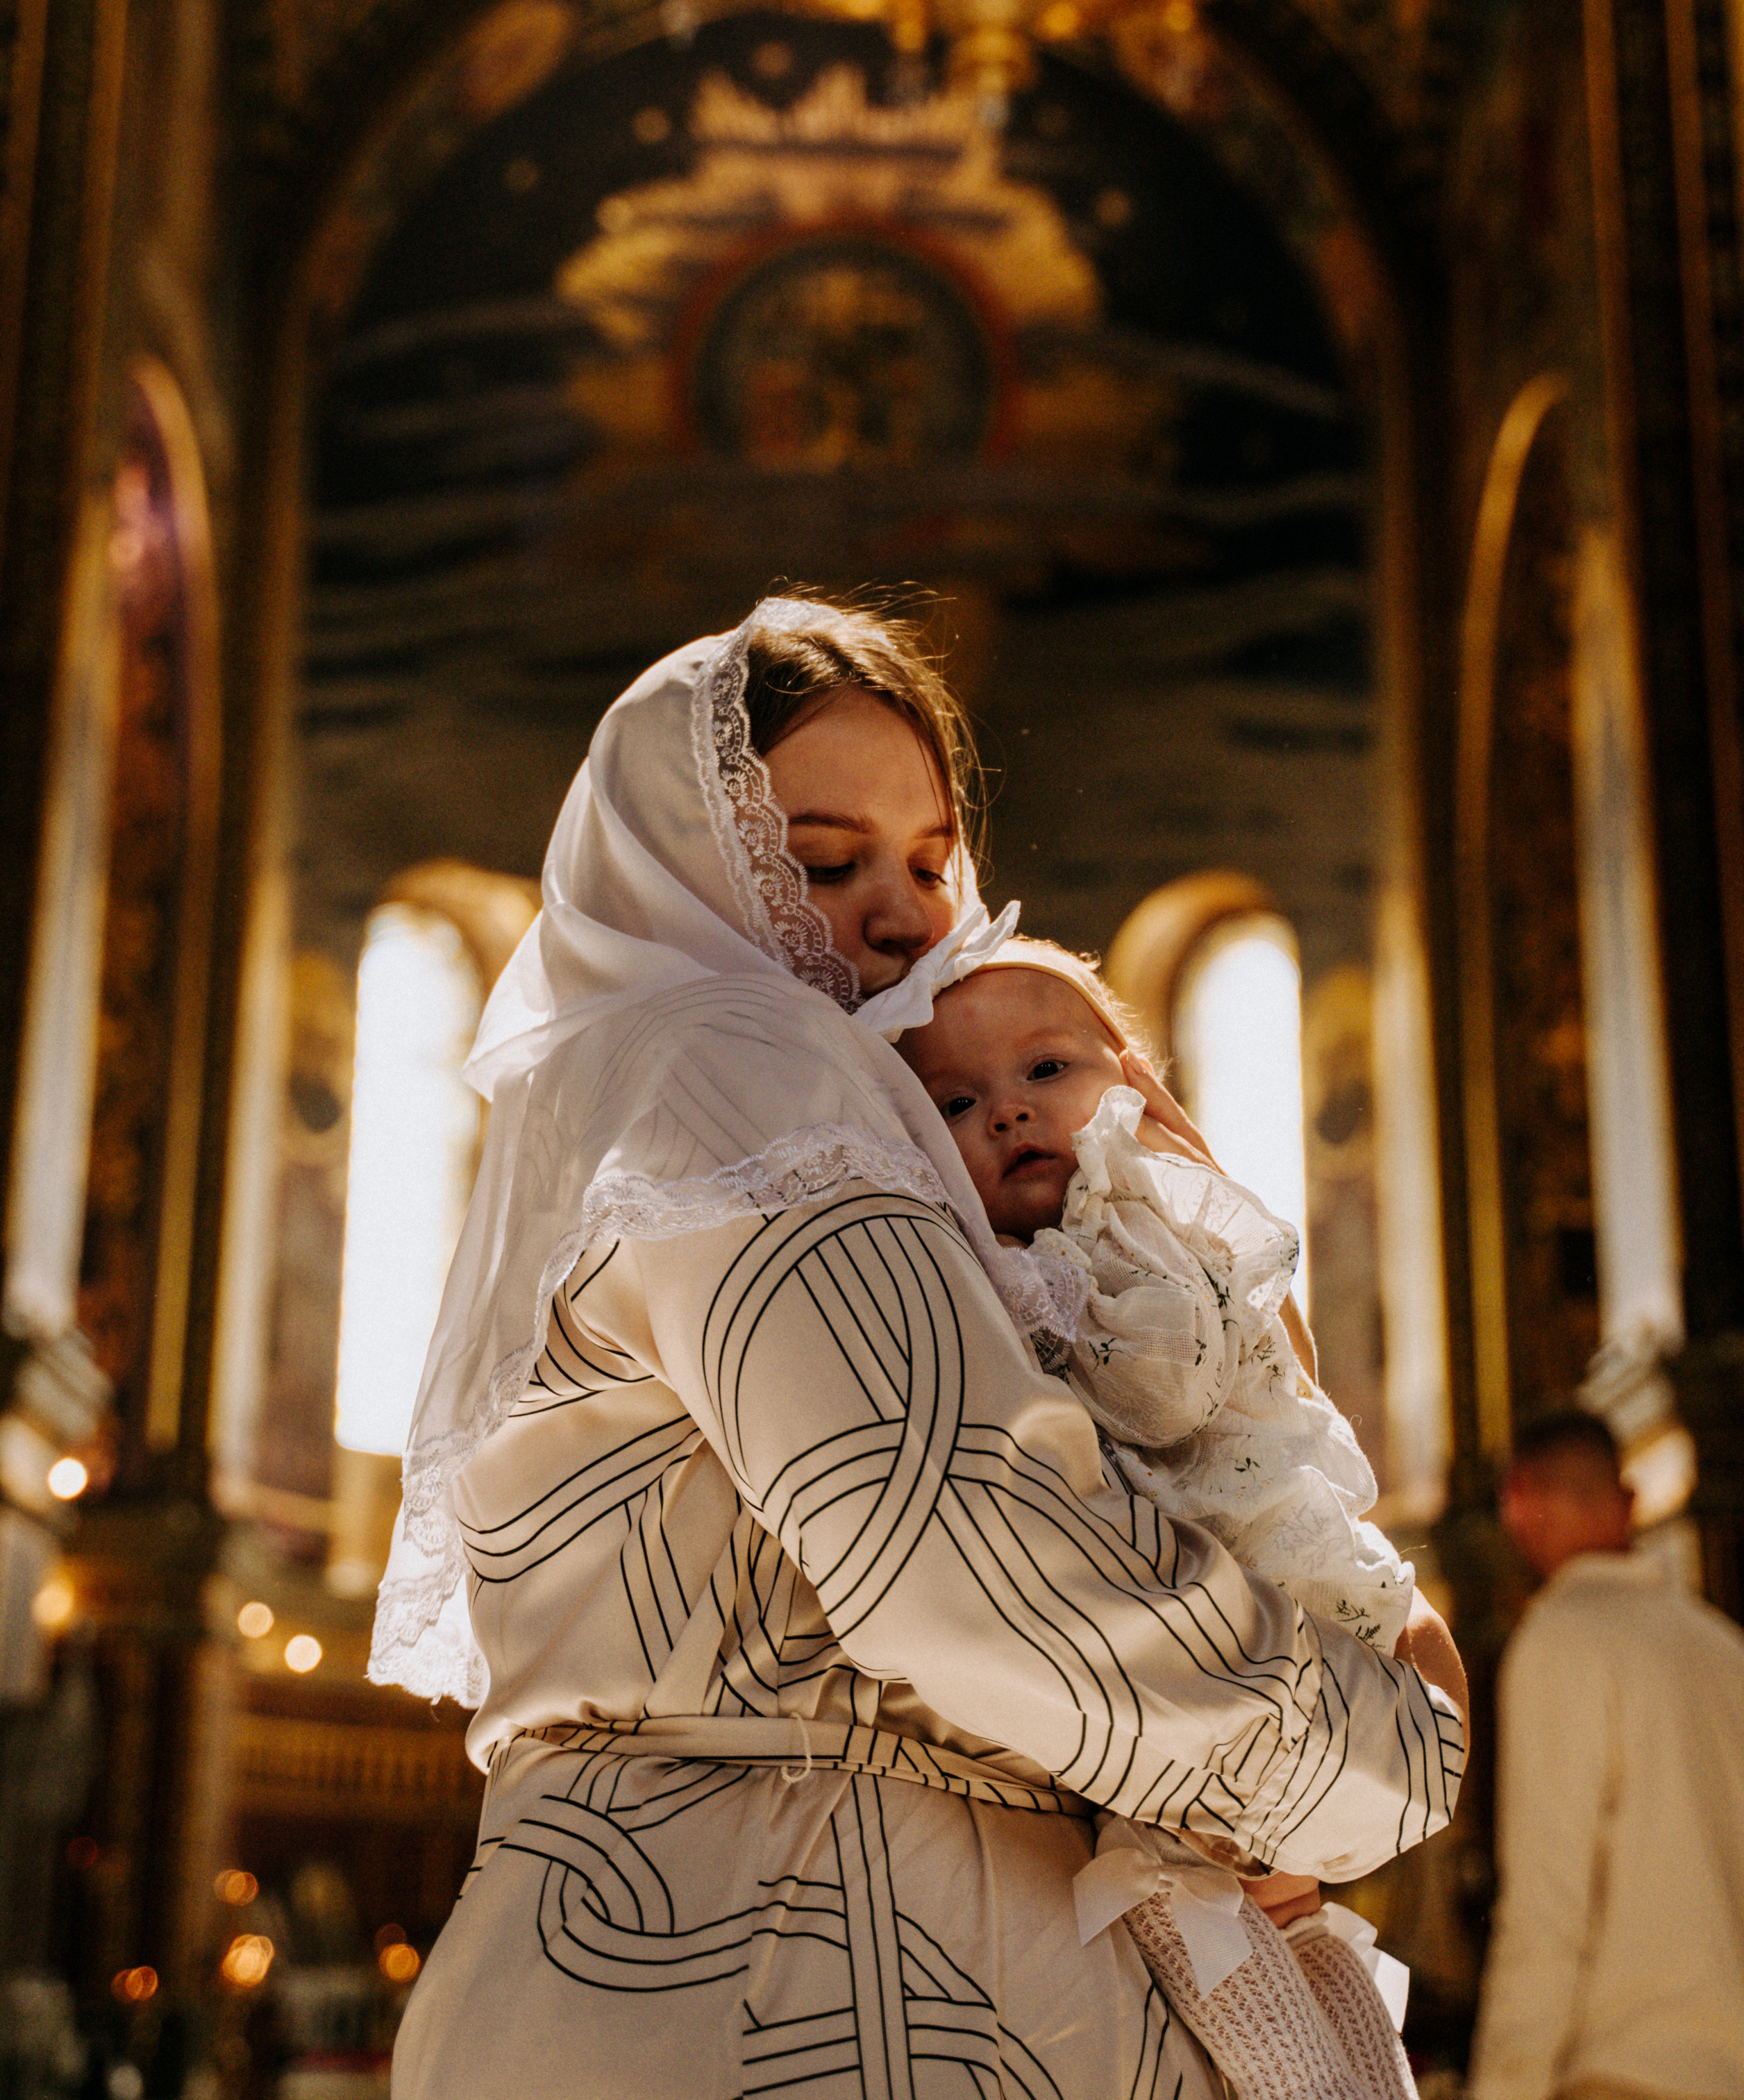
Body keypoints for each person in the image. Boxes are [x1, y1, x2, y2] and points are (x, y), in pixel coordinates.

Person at [371, 593, 1466, 2097]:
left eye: (933, 865)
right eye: (818, 864)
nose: (901, 913)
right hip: (783, 1962)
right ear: (676, 861)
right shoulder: (735, 1066)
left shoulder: (684, 1105)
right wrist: (1376, 1757)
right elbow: (958, 1554)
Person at [900, 940, 1453, 2100]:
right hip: (1248, 1595)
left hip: (1240, 1592)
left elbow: (1163, 1394)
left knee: (1178, 1898)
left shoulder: (1130, 1226)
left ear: (1135, 1092)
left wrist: (1036, 1323)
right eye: (955, 1100)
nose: (1004, 1112)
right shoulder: (1095, 1237)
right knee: (1287, 1913)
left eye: (1045, 1069)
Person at [1468, 1409, 1744, 2100]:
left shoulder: (1558, 1643)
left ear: (1519, 1505)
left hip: (1623, 2076)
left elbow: (1546, 1910)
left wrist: (1503, 2087)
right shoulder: (1740, 1661)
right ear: (1629, 1501)